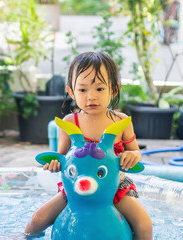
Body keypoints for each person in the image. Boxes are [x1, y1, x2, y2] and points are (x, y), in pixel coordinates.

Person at [25, 52, 152, 240]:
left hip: (115, 186)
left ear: (114, 90)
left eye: (100, 89)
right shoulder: (70, 122)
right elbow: (60, 156)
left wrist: (133, 155)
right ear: (71, 91)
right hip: (77, 187)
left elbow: (135, 150)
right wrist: (53, 163)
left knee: (144, 224)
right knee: (37, 220)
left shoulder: (121, 121)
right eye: (83, 90)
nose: (91, 97)